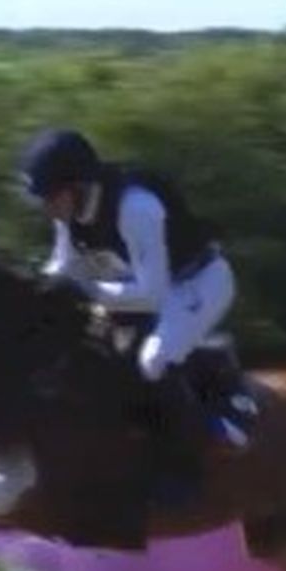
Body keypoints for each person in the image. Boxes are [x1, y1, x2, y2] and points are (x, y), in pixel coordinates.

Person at [17, 128, 258, 485]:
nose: (47, 208)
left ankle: (206, 428)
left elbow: (151, 295)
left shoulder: (137, 208)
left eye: (51, 196)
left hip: (199, 283)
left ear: (77, 185)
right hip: (145, 288)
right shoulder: (70, 214)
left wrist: (86, 291)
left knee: (151, 362)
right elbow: (61, 267)